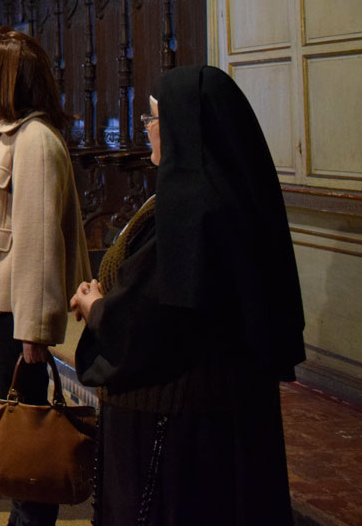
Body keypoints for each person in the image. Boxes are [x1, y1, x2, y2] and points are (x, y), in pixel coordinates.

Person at [69, 65, 305, 525]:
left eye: (153, 119)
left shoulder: (193, 207)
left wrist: (97, 307)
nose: (148, 130)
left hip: (176, 414)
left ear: (183, 125)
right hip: (218, 407)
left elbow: (155, 318)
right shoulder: (228, 192)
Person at [0, 27, 90, 526]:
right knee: (18, 417)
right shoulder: (7, 132)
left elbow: (37, 243)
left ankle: (31, 516)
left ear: (6, 76)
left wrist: (35, 329)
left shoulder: (33, 141)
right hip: (1, 303)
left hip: (18, 308)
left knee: (28, 424)